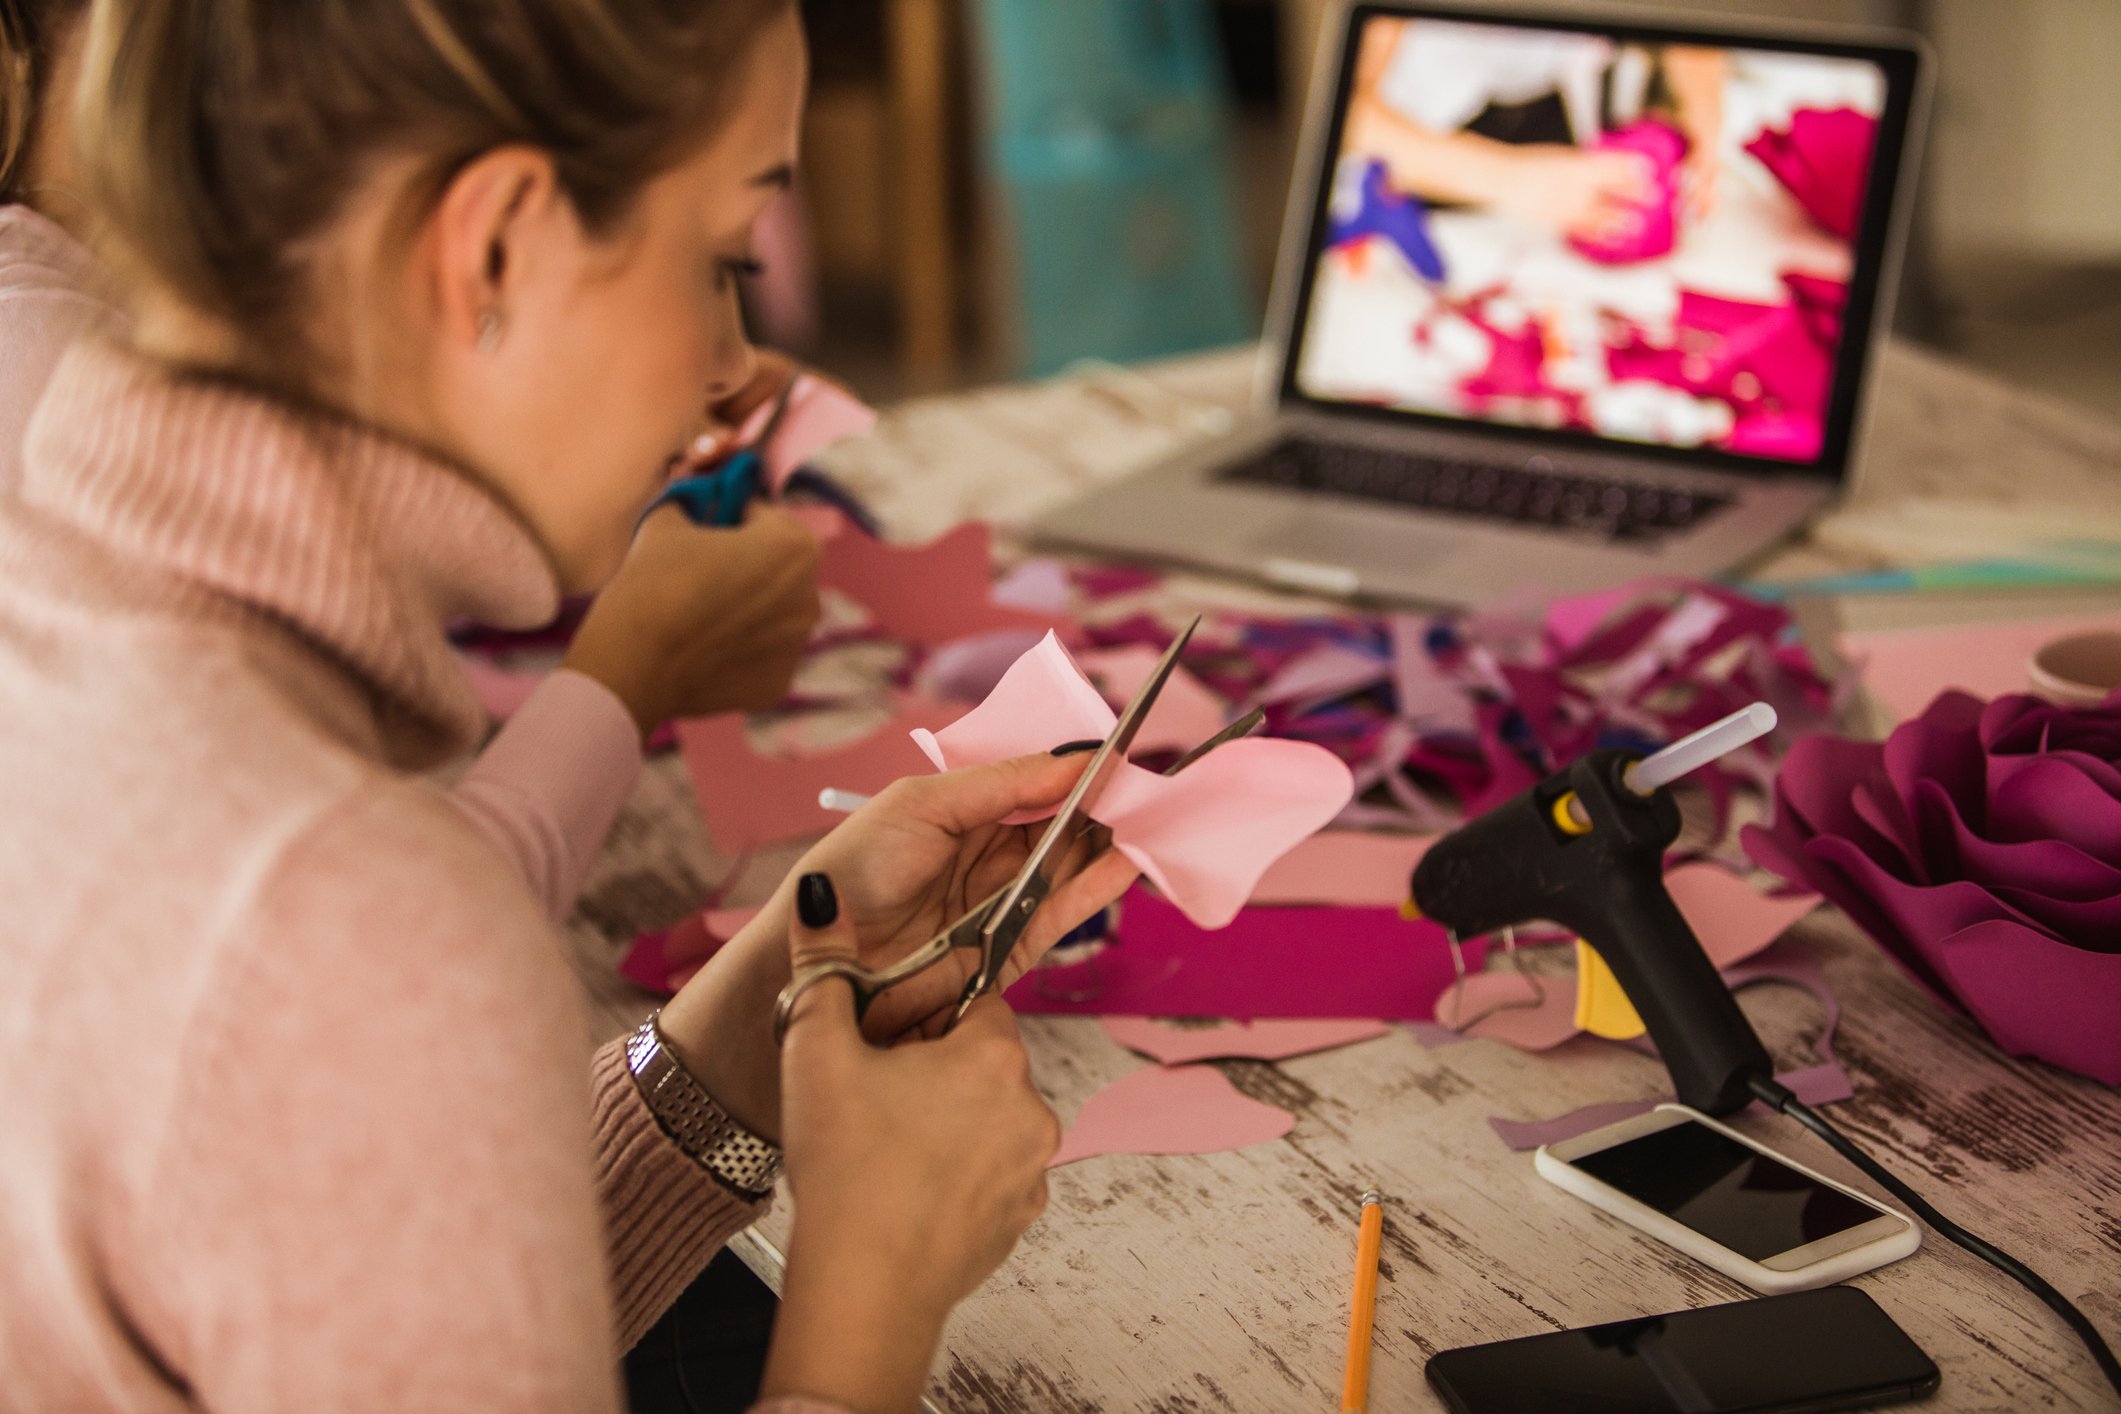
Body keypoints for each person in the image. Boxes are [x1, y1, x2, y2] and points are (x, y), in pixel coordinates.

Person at [0, 2, 1137, 1412]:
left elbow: (364, 1318)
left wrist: (751, 1020)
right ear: (492, 246)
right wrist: (870, 1291)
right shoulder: (350, 919)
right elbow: (348, 1002)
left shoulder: (56, 593)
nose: (734, 370)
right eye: (721, 257)